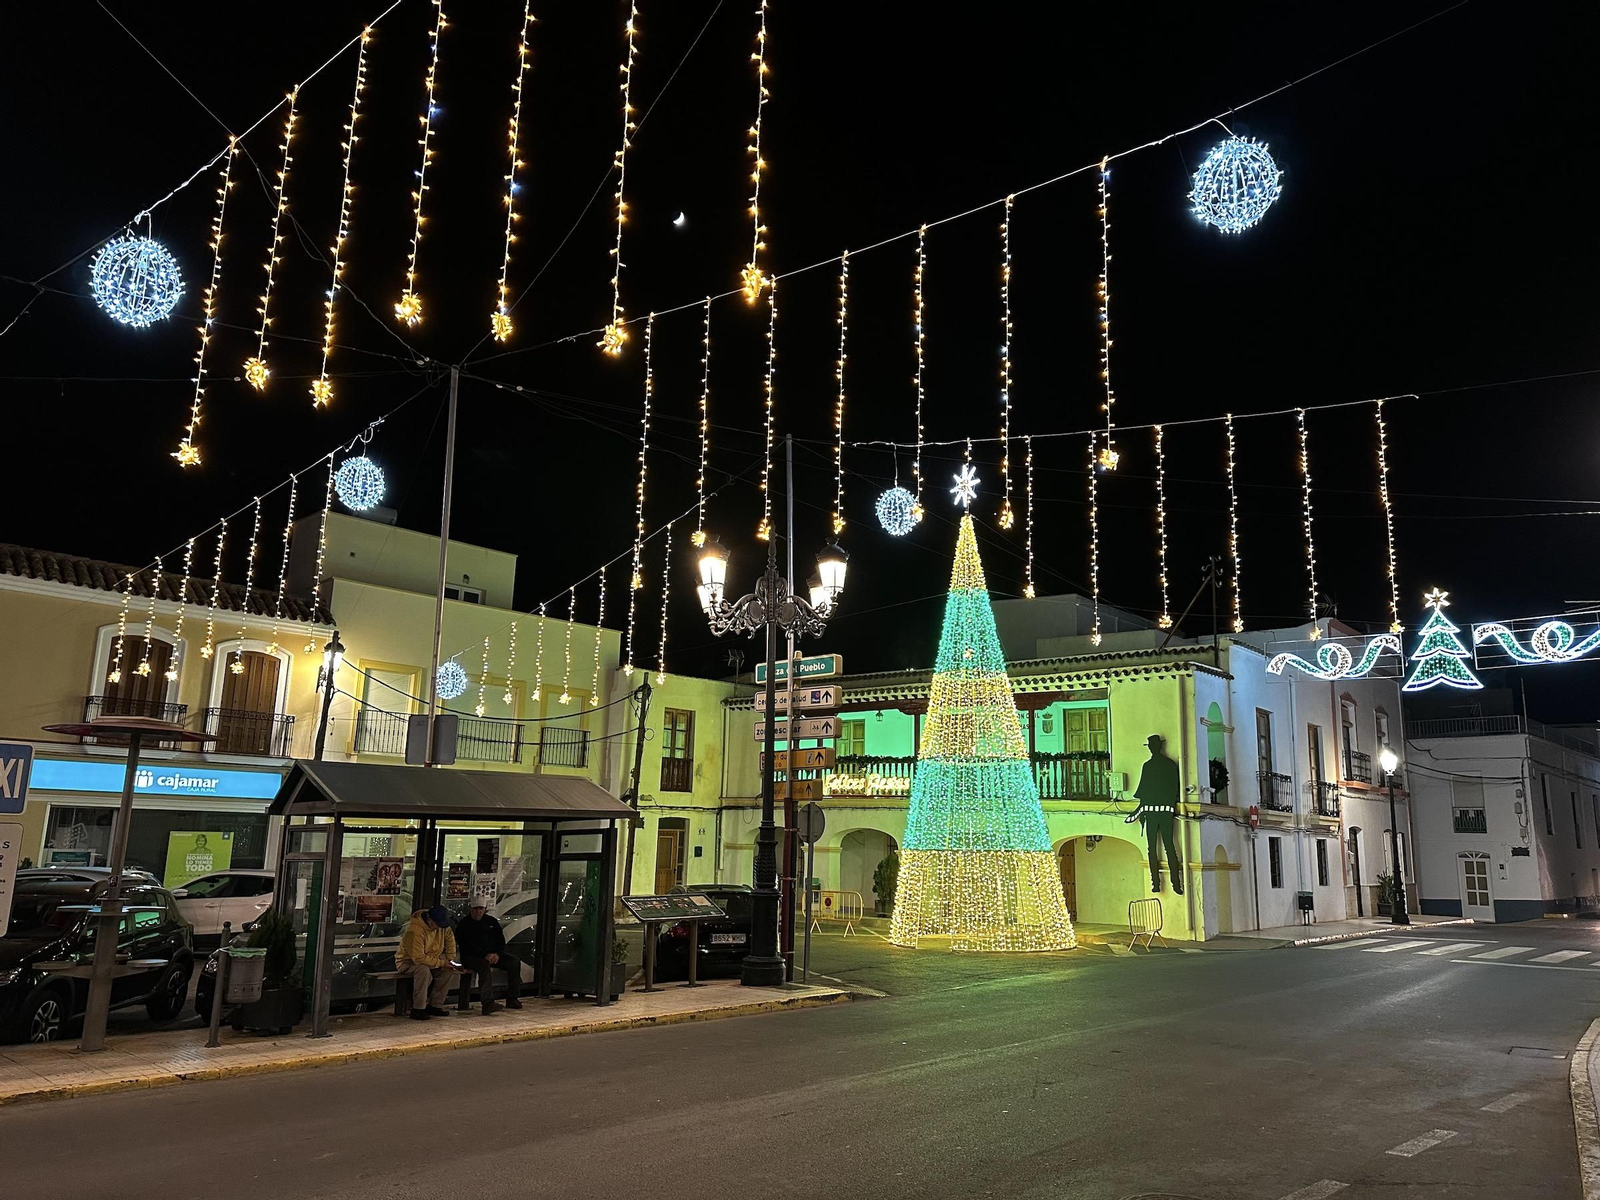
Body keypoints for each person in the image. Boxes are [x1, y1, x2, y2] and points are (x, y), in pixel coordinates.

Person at [1127, 733, 1183, 895]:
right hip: (1165, 813)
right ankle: (1175, 883)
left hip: (1152, 813)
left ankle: (1157, 883)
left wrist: (1142, 810)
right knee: (1168, 847)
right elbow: (1174, 789)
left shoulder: (1149, 766)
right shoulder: (1169, 765)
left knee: (1153, 848)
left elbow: (1142, 792)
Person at [455, 899, 523, 1014]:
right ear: (471, 910)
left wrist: (497, 953)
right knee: (484, 966)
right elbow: (466, 945)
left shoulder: (491, 921)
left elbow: (501, 940)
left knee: (514, 962)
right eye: (475, 909)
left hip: (493, 955)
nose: (478, 911)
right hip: (471, 957)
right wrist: (484, 955)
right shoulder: (464, 924)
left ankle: (512, 997)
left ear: (485, 909)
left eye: (480, 909)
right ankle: (487, 1003)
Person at [395, 904, 460, 1020]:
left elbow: (450, 943)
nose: (439, 928)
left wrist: (449, 960)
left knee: (447, 971)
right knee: (423, 971)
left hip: (431, 959)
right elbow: (417, 958)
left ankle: (436, 1005)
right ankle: (418, 1008)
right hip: (408, 961)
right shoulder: (414, 930)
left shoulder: (443, 927)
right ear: (429, 920)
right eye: (437, 925)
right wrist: (441, 963)